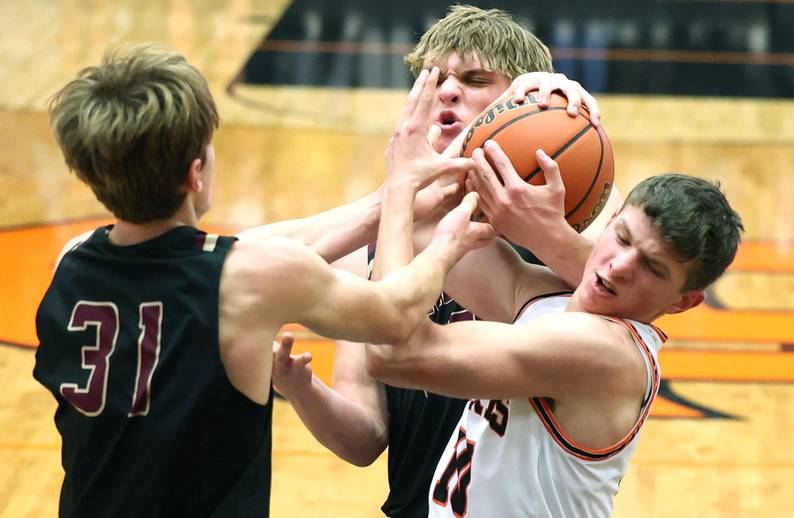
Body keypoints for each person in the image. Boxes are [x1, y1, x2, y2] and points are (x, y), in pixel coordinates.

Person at [32, 45, 492, 518]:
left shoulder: (73, 261)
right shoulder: (250, 277)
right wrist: (446, 244)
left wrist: (395, 198)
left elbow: (267, 246)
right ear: (195, 173)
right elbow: (394, 315)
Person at [271, 5, 619, 517]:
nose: (446, 92)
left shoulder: (557, 223)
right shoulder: (371, 245)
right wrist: (300, 389)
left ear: (522, 100)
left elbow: (626, 292)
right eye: (433, 79)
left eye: (475, 79)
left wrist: (559, 102)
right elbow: (364, 439)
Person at [366, 108, 744, 516]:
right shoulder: (549, 300)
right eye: (621, 238)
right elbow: (424, 226)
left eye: (652, 268)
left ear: (682, 302)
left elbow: (392, 354)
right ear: (611, 220)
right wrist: (521, 96)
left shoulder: (603, 353)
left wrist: (402, 188)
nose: (618, 265)